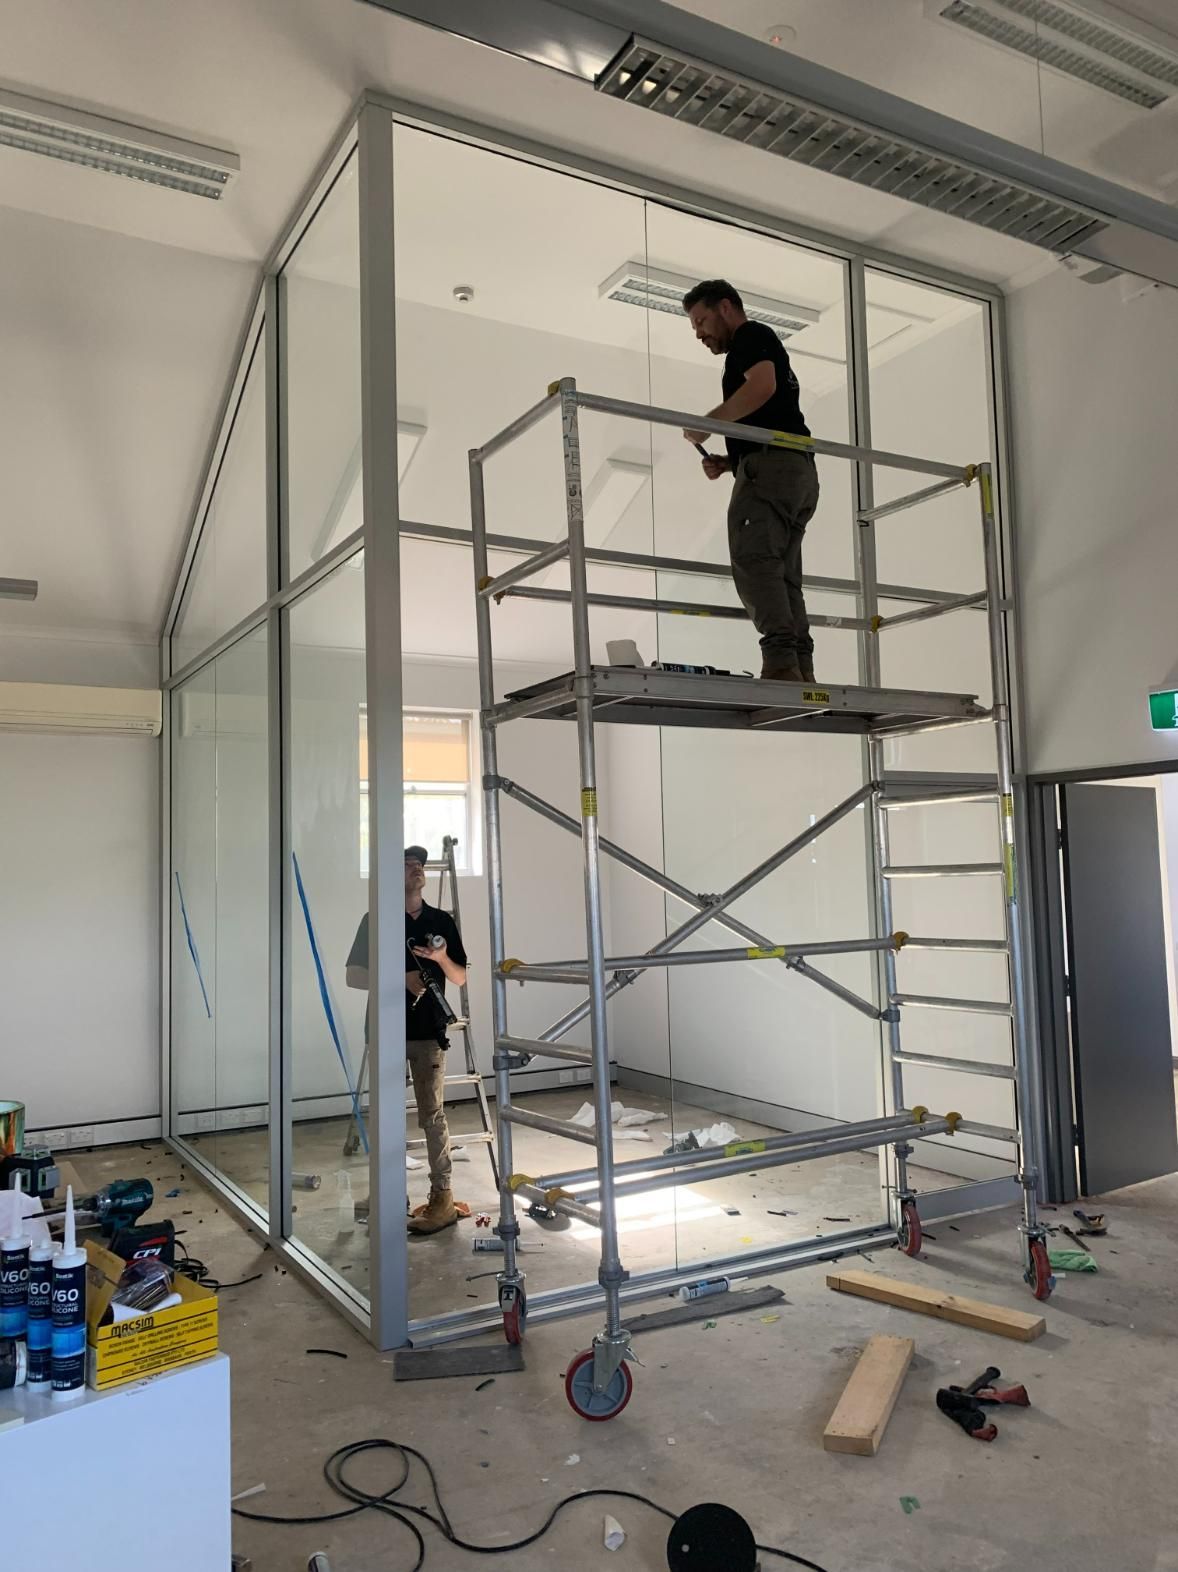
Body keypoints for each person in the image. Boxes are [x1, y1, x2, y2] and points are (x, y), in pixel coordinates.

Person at [681, 278, 820, 684]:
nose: (699, 333)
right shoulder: (759, 342)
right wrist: (732, 462)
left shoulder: (750, 336)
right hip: (795, 469)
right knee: (783, 573)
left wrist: (708, 424)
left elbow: (762, 387)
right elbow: (772, 410)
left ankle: (781, 664)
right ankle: (799, 666)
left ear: (726, 308)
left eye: (701, 321)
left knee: (754, 562)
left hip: (772, 467)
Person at [345, 844, 469, 1235]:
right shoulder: (376, 920)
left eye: (419, 864)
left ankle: (442, 1198)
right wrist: (400, 979)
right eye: (407, 864)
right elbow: (353, 976)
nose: (417, 868)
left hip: (428, 1032)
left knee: (432, 1116)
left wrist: (440, 959)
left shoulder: (441, 921)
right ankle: (388, 1193)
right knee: (386, 1116)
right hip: (386, 1031)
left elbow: (460, 976)